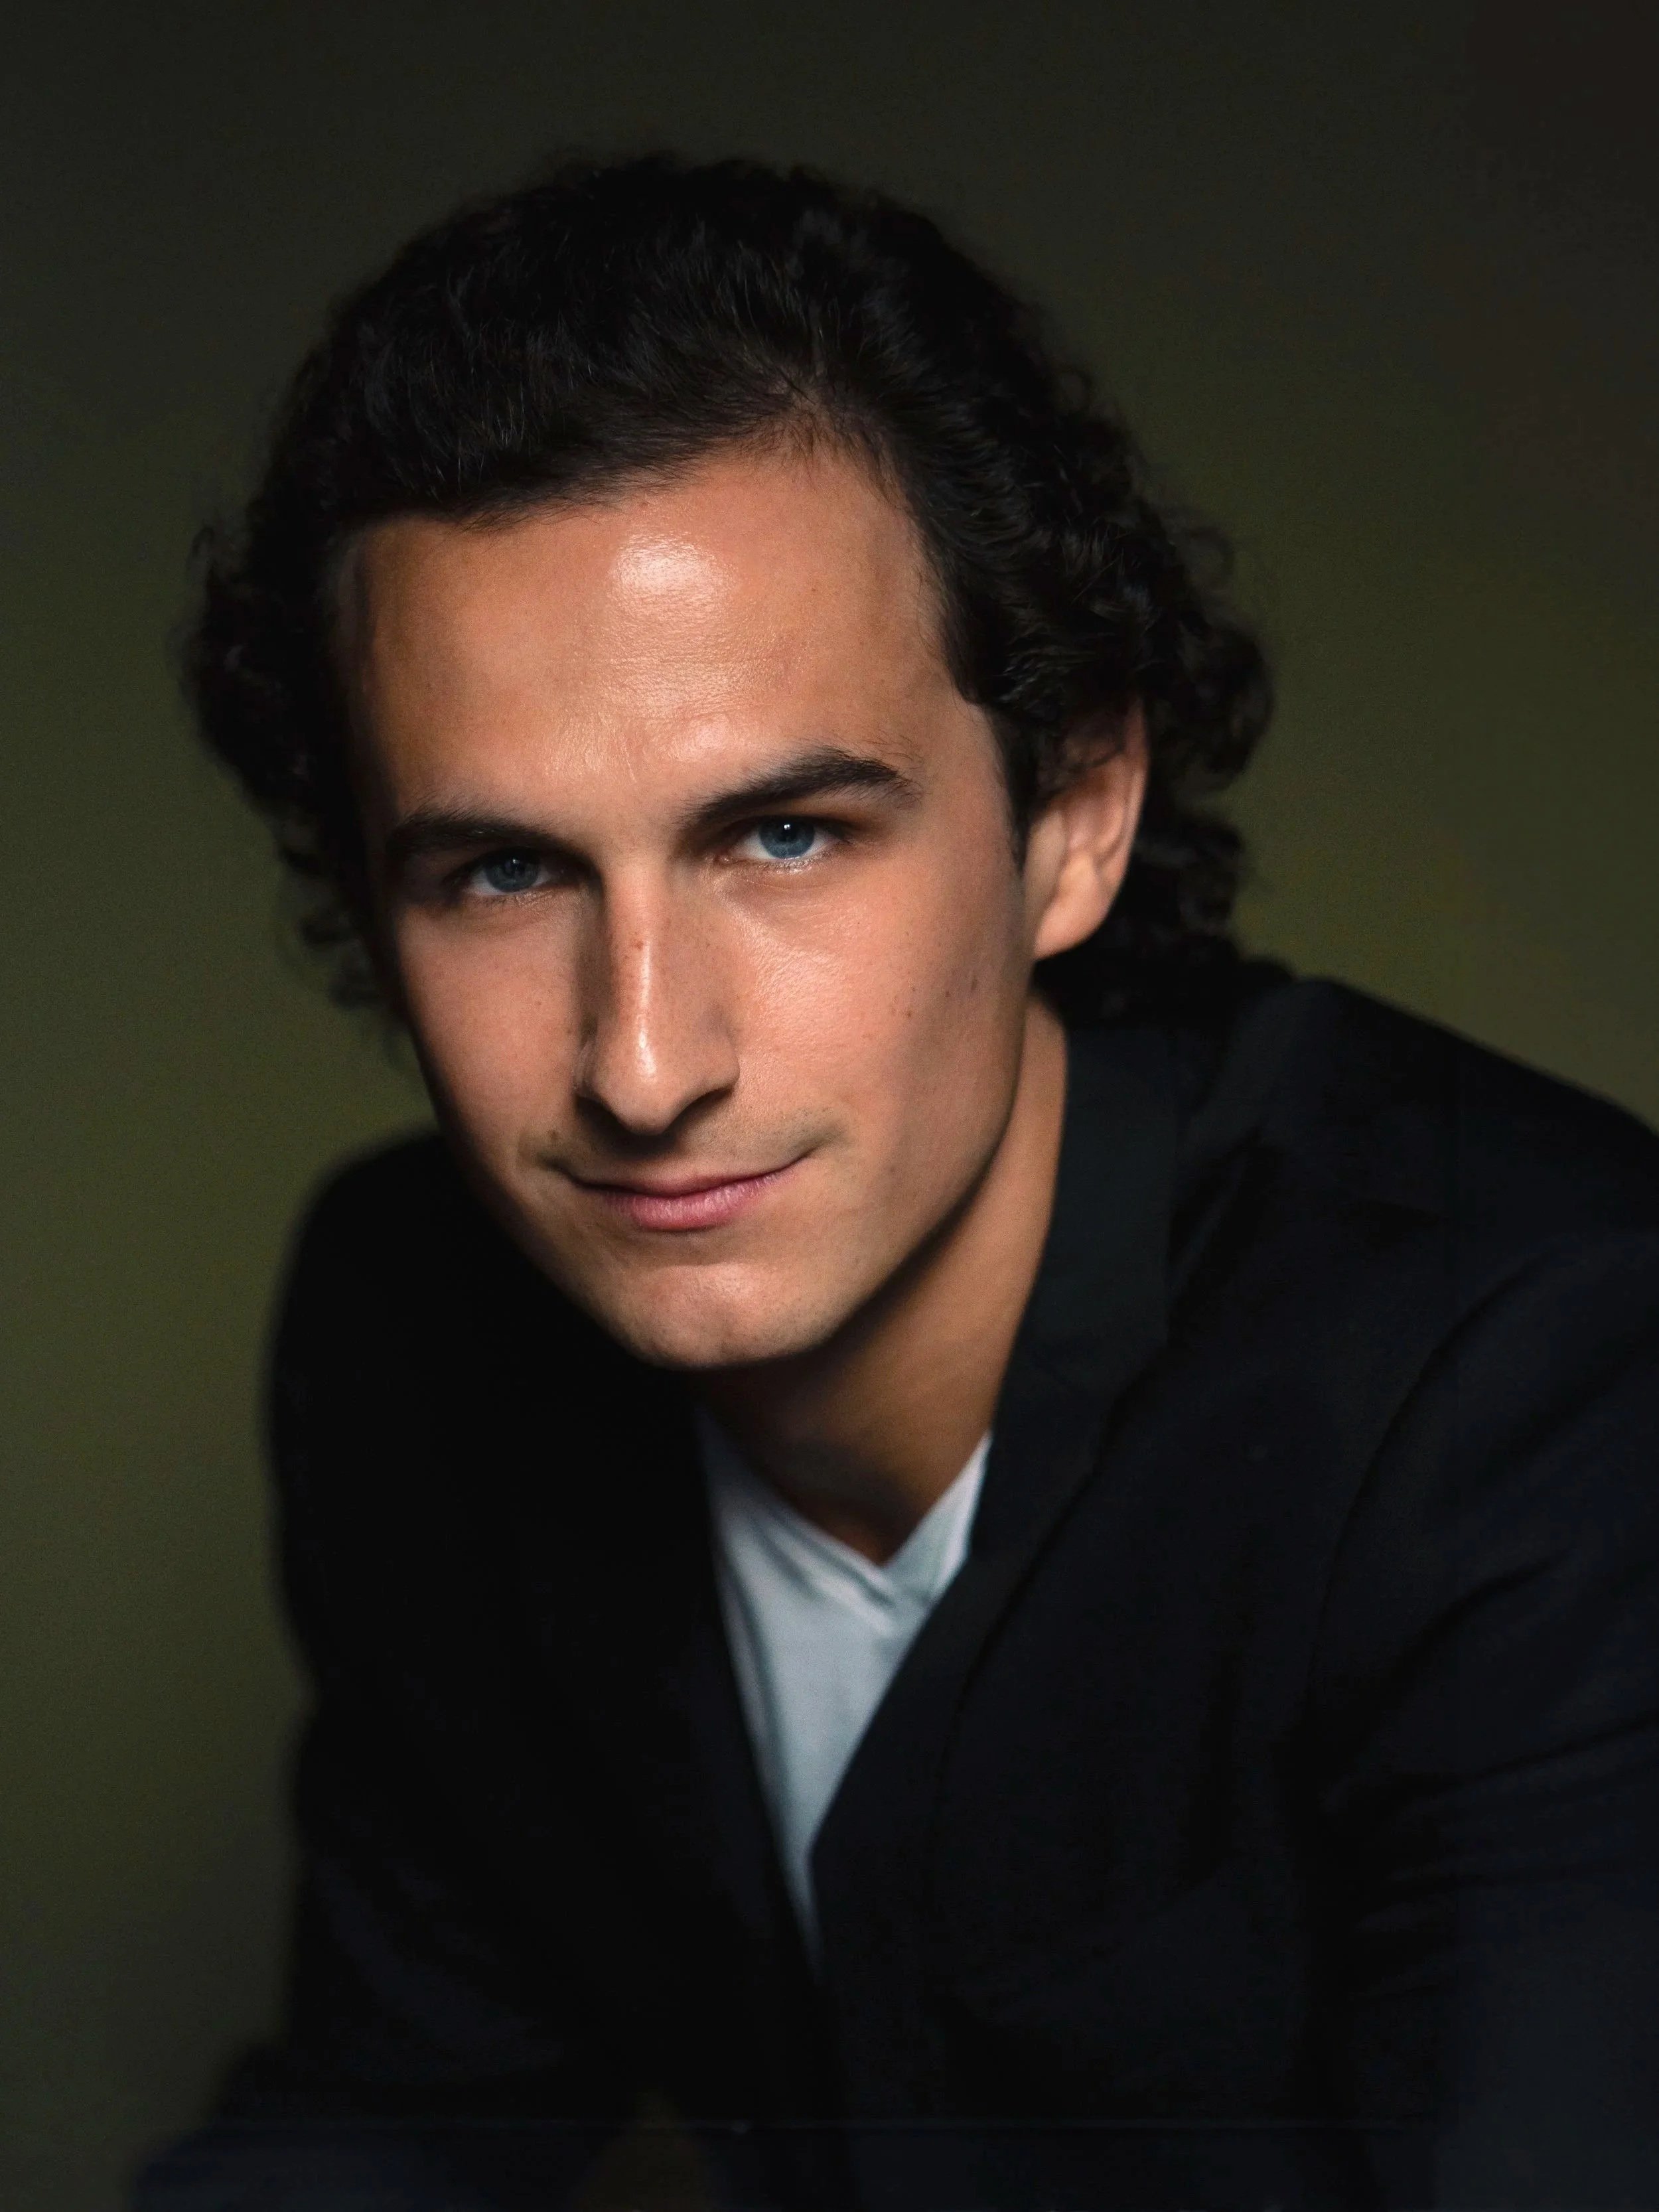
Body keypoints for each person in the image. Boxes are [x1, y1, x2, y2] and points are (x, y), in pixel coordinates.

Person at [138, 155, 1659, 2211]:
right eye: (503, 872)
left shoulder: (1530, 1365)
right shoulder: (415, 1333)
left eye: (783, 837)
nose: (644, 1061)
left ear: (1076, 814)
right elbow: (405, 2106)